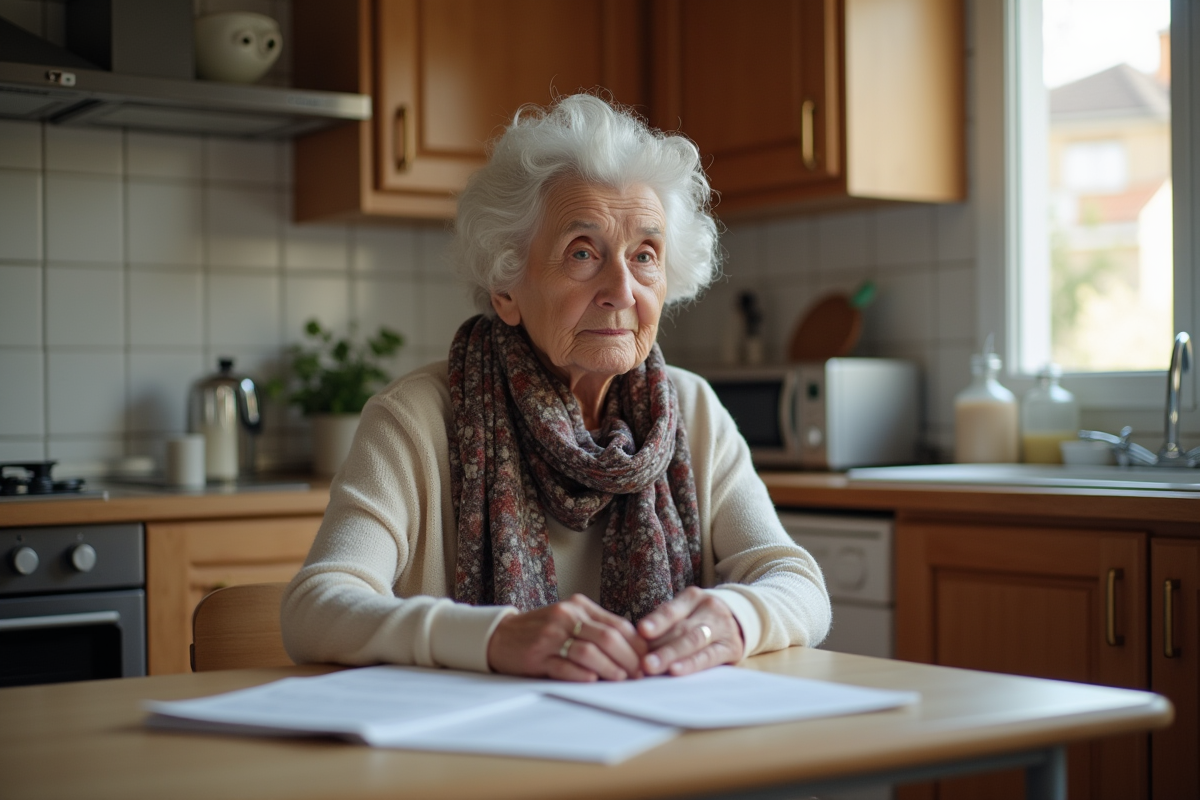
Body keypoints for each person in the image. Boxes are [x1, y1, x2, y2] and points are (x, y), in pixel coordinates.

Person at [281, 93, 830, 682]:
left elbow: (798, 584)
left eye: (645, 255)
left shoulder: (691, 409)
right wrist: (492, 638)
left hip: (662, 750)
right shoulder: (415, 419)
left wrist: (732, 617)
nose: (622, 289)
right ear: (506, 289)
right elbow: (315, 608)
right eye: (583, 252)